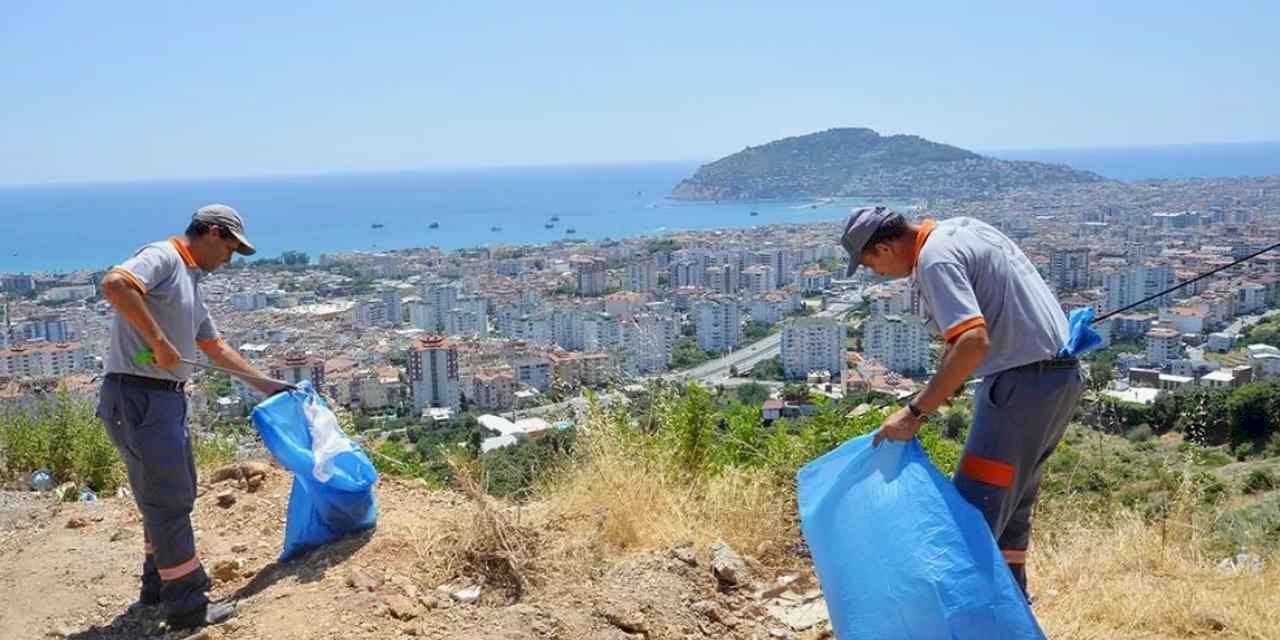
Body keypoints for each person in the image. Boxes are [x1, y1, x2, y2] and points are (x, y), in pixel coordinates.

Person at [840, 206, 1085, 600]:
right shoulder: (964, 229)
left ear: (884, 248)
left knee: (971, 515)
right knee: (1012, 515)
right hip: (1057, 380)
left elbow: (973, 342)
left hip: (1018, 388)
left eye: (870, 265)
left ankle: (960, 621)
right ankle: (1010, 617)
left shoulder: (934, 259)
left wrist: (914, 413)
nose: (877, 274)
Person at [97, 204, 288, 629]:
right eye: (231, 249)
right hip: (139, 396)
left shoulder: (192, 284)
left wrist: (271, 387)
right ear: (214, 233)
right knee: (168, 501)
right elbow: (116, 284)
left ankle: (158, 588)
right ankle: (187, 607)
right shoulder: (165, 257)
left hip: (161, 399)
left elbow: (215, 349)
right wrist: (161, 343)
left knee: (167, 497)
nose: (230, 260)